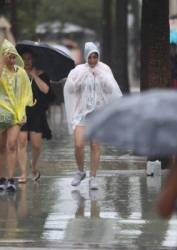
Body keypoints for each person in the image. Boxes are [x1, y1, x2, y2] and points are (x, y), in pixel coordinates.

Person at [64, 42, 122, 190]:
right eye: (90, 57)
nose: (92, 61)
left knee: (95, 145)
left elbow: (112, 89)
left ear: (98, 56)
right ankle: (80, 171)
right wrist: (80, 78)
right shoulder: (78, 70)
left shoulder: (104, 69)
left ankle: (93, 177)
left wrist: (101, 77)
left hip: (98, 113)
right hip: (81, 113)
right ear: (86, 56)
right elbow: (70, 88)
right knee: (78, 144)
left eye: (95, 57)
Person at [0, 40, 33, 191]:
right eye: (9, 56)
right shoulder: (1, 71)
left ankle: (11, 178)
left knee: (12, 145)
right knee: (1, 147)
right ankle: (1, 178)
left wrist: (23, 112)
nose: (12, 59)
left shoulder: (20, 73)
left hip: (15, 114)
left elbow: (26, 93)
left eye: (14, 56)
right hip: (1, 114)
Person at [17, 49, 52, 183]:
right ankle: (23, 174)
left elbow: (46, 90)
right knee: (21, 142)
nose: (27, 61)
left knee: (37, 145)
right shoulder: (17, 73)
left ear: (33, 60)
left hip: (37, 113)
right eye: (24, 58)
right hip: (21, 112)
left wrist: (34, 76)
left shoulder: (41, 74)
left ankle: (34, 166)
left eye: (29, 58)